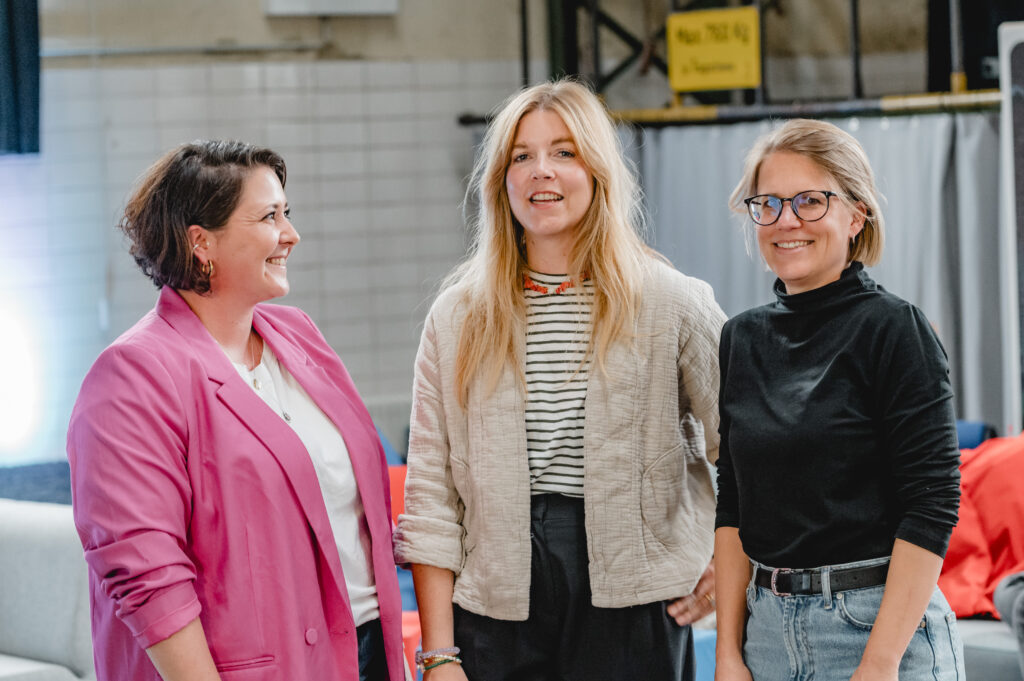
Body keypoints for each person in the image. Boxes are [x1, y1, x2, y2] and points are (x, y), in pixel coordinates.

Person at [392, 79, 725, 681]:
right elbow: (432, 496)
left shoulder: (673, 303)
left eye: (564, 152)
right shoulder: (459, 315)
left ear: (598, 171)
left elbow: (750, 447)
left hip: (633, 595)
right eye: (522, 156)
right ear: (501, 181)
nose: (540, 171)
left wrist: (735, 563)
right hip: (498, 595)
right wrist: (439, 654)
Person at [67, 141, 404, 681]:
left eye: (287, 213)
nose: (291, 234)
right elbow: (148, 581)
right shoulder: (133, 375)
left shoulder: (299, 335)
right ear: (202, 243)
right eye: (270, 217)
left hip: (364, 650)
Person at [714, 118, 964, 681]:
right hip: (767, 636)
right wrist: (729, 652)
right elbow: (732, 503)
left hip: (876, 631)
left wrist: (879, 664)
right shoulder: (740, 339)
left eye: (810, 201)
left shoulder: (894, 329)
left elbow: (932, 504)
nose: (786, 221)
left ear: (856, 214)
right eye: (769, 204)